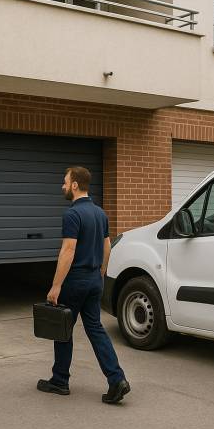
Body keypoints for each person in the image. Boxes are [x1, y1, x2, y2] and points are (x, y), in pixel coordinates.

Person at [37, 166, 130, 404]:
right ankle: (117, 379)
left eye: (65, 182)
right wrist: (101, 272)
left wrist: (56, 286)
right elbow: (107, 246)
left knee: (63, 329)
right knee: (95, 329)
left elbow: (68, 250)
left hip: (75, 281)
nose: (63, 186)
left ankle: (60, 380)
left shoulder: (72, 214)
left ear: (75, 185)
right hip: (94, 280)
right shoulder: (100, 213)